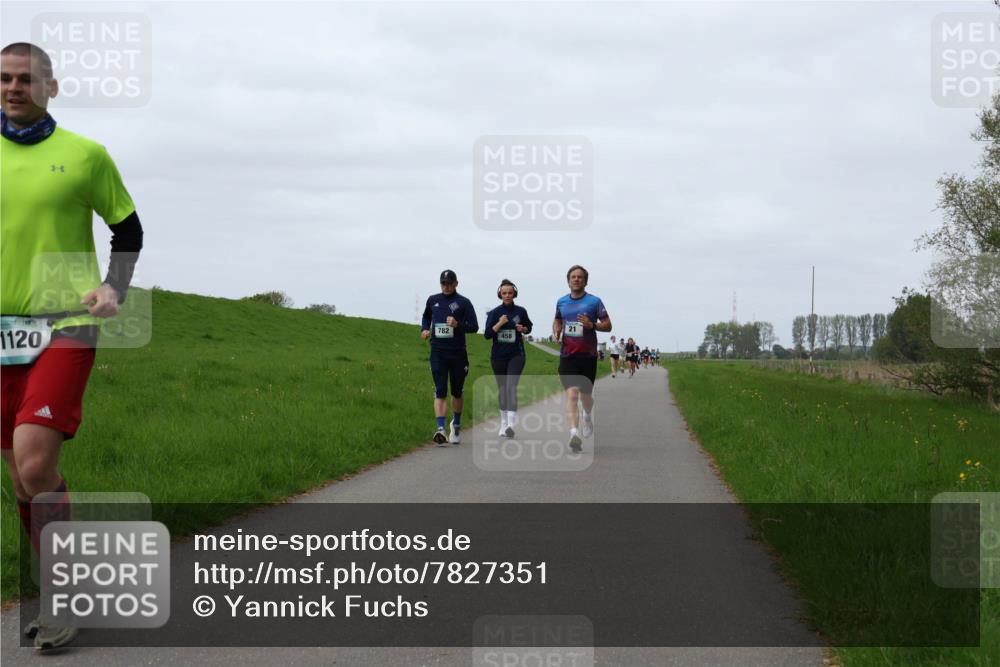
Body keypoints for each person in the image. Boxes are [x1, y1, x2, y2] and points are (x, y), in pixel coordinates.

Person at [1, 42, 144, 650]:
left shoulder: (86, 155)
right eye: (4, 79)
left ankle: (64, 593)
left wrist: (114, 287)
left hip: (66, 324)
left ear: (51, 87)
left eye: (25, 79)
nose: (13, 88)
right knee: (18, 473)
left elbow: (128, 227)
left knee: (36, 460)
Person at [552, 265, 611, 452]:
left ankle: (587, 415)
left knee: (586, 397)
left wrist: (592, 324)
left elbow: (608, 326)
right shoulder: (561, 301)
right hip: (568, 356)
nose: (576, 279)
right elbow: (558, 319)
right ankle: (573, 434)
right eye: (573, 277)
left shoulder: (594, 302)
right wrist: (556, 329)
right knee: (572, 394)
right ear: (568, 280)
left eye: (580, 277)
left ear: (585, 280)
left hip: (588, 356)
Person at [420, 270, 478, 445]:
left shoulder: (464, 302)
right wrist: (424, 329)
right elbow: (426, 316)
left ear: (456, 284)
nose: (446, 286)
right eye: (443, 283)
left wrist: (457, 324)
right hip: (438, 352)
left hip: (458, 353)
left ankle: (457, 424)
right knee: (440, 390)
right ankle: (440, 430)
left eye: (449, 283)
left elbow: (474, 327)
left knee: (457, 392)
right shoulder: (433, 300)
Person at [484, 279, 532, 438]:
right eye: (504, 293)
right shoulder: (494, 313)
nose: (507, 296)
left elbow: (528, 327)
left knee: (511, 386)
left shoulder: (521, 311)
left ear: (514, 294)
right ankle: (503, 423)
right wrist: (499, 323)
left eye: (510, 293)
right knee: (503, 389)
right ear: (500, 294)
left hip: (516, 354)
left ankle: (511, 424)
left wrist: (523, 328)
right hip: (498, 356)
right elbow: (487, 335)